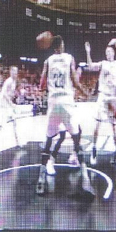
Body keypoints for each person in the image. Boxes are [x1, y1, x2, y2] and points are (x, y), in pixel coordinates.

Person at [37, 34, 86, 196]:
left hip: (53, 102)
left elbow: (41, 84)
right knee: (76, 134)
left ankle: (41, 179)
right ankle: (85, 177)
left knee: (49, 138)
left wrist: (46, 85)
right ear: (62, 46)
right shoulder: (69, 58)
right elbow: (74, 79)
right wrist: (83, 91)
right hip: (66, 101)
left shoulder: (47, 61)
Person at [82, 40, 116, 166]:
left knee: (114, 128)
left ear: (113, 53)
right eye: (106, 52)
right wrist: (88, 52)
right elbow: (91, 66)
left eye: (110, 51)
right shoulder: (102, 63)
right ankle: (94, 150)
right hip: (102, 96)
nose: (108, 53)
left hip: (113, 97)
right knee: (97, 126)